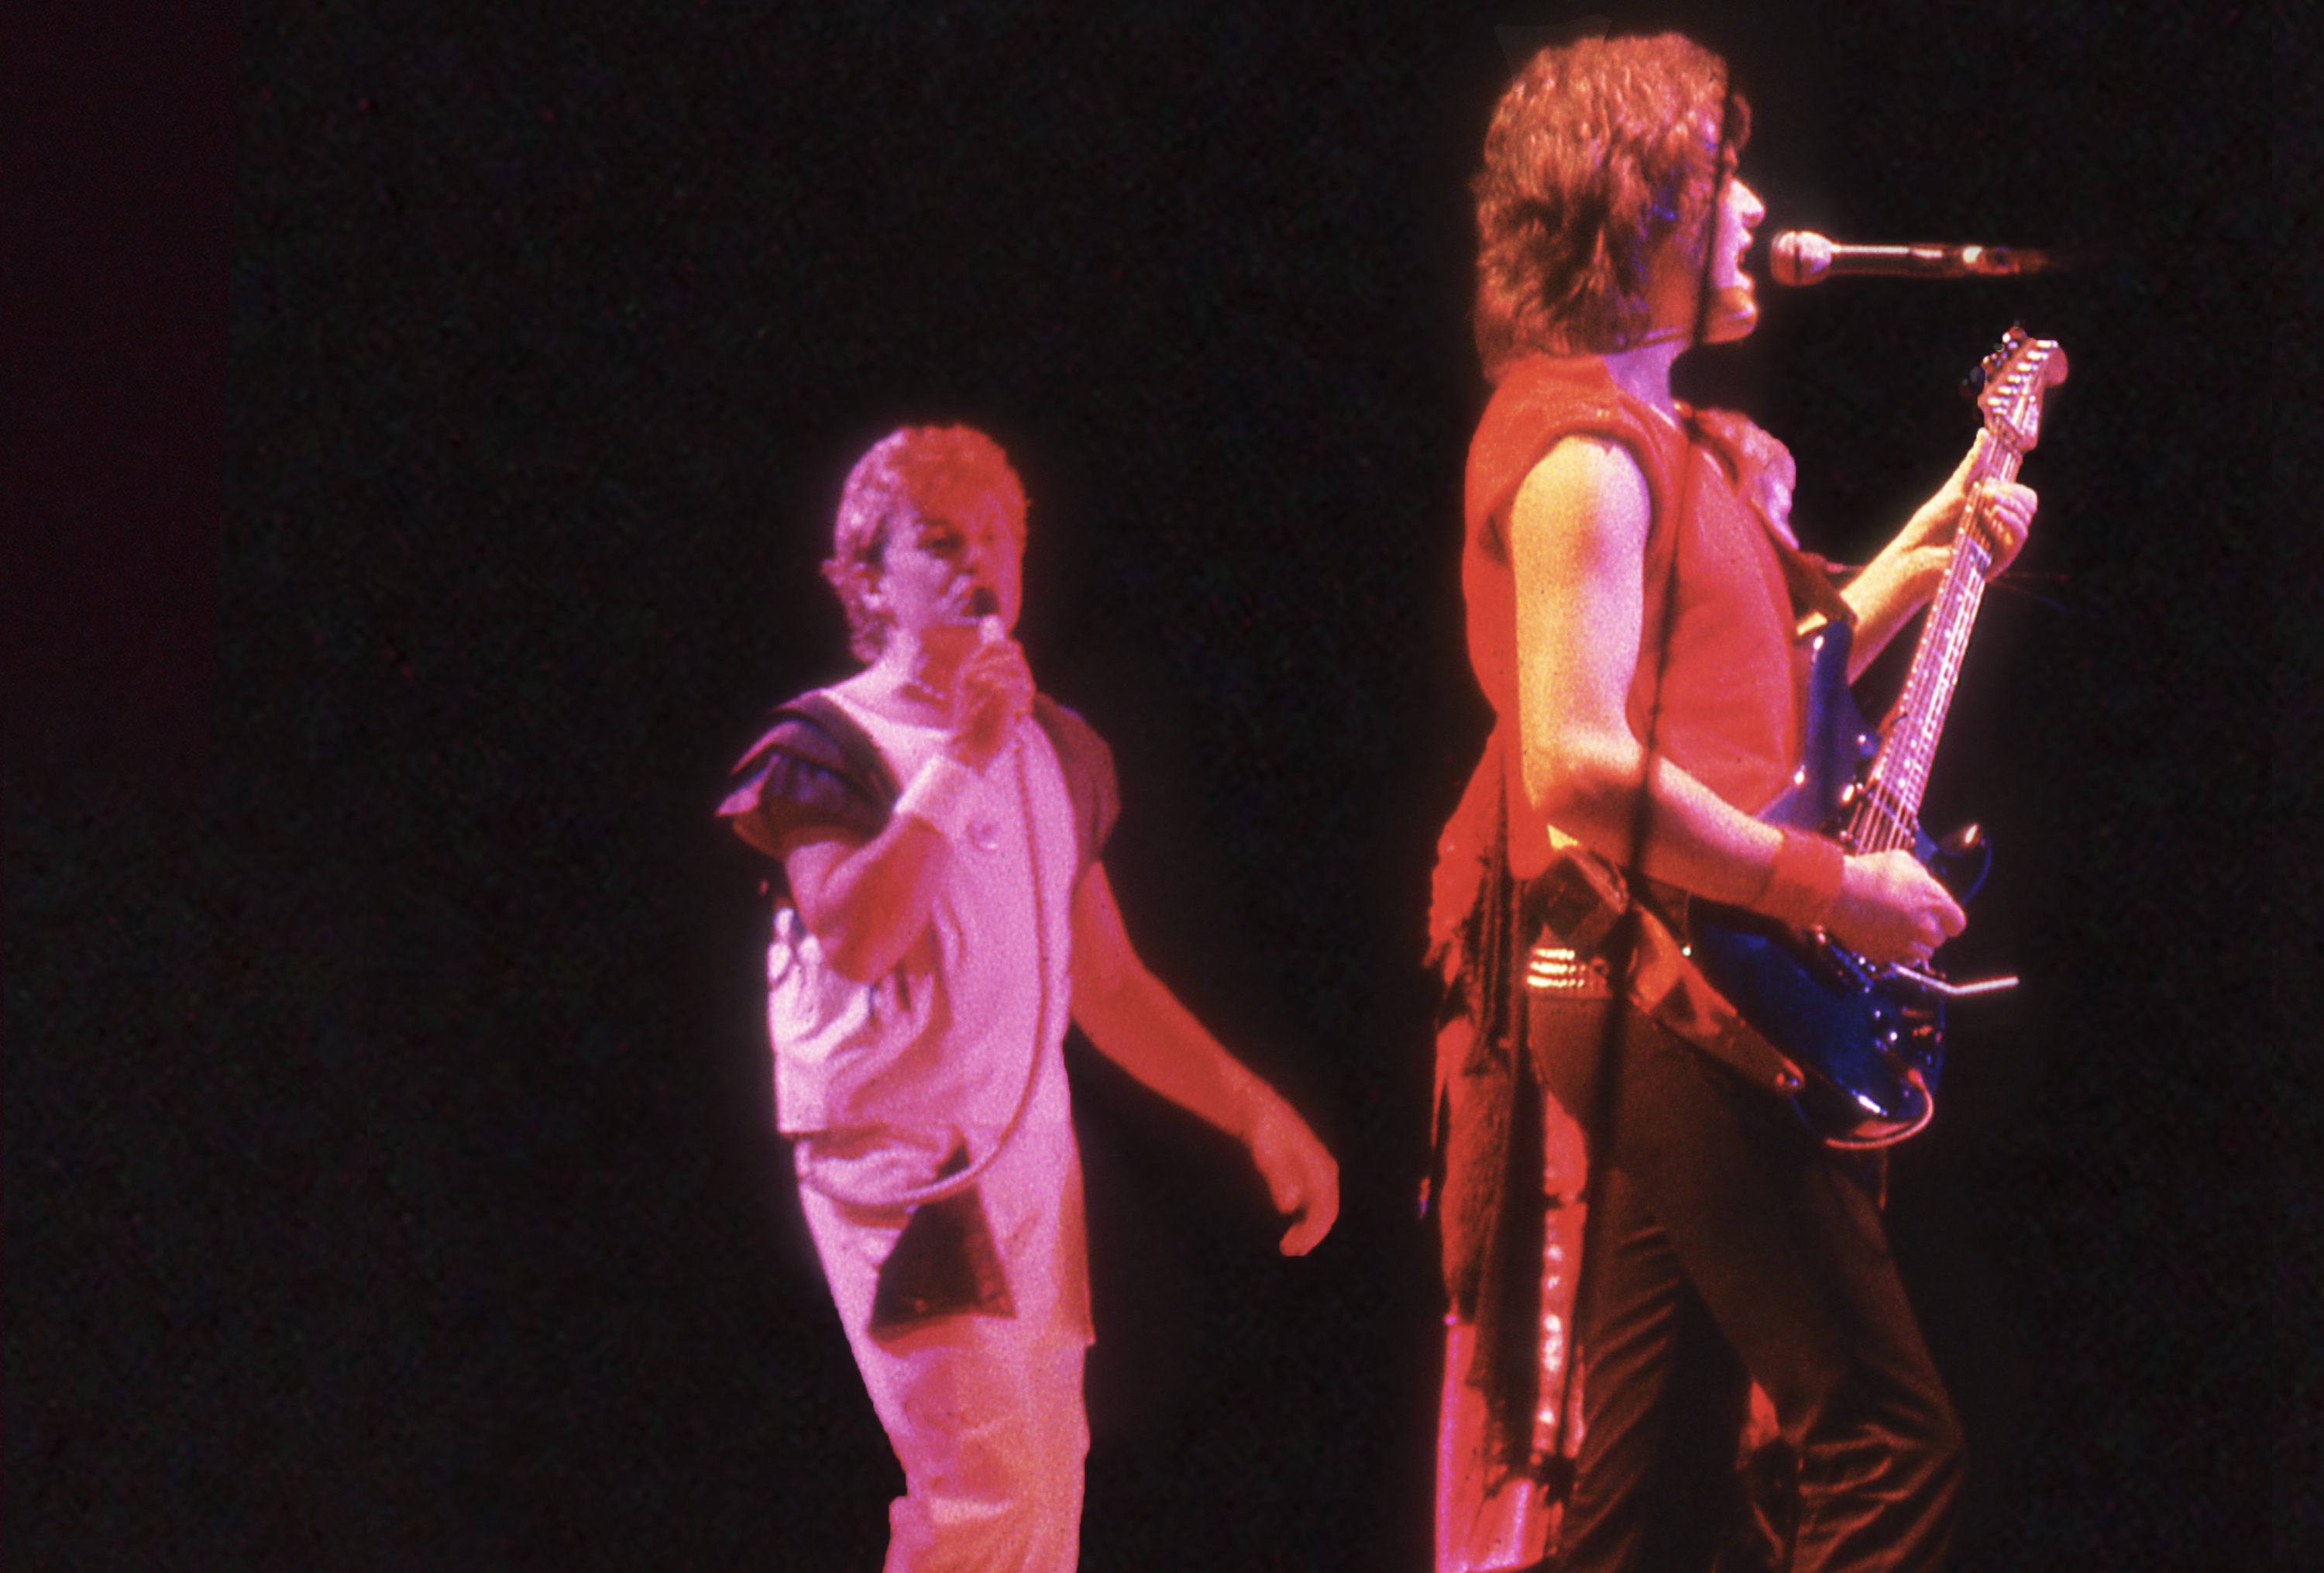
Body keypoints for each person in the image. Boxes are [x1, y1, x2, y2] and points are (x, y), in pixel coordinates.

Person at [1425, 34, 2037, 1573]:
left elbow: (1781, 671)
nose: (1760, 206)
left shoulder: (1661, 439)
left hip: (1672, 976)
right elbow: (1573, 762)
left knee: (1620, 1495)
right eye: (1720, 180)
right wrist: (1832, 892)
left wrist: (1937, 540)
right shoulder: (1582, 458)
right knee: (1892, 1445)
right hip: (1668, 980)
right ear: (1636, 213)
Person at [720, 424, 1339, 1573]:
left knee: (1042, 1495)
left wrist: (1255, 1108)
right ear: (867, 577)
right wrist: (961, 756)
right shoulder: (830, 744)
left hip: (1025, 1162)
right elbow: (856, 932)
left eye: (999, 540)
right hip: (906, 1178)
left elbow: (1104, 982)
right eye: (942, 543)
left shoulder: (1059, 746)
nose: (979, 569)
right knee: (988, 1497)